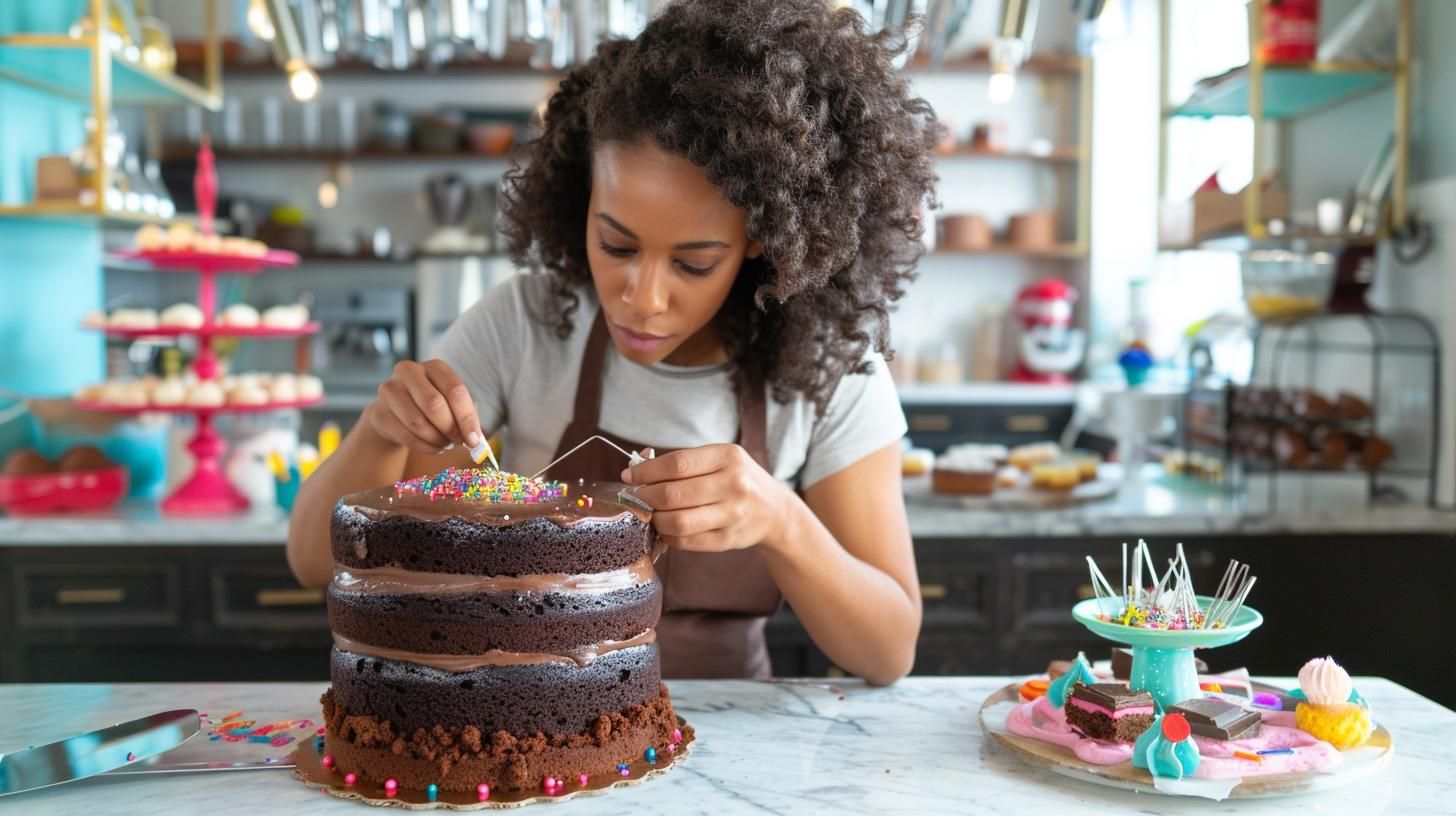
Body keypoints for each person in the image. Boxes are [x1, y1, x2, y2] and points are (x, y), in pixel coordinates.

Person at [287, 0, 939, 685]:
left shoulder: (831, 368)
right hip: (538, 737)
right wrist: (380, 433)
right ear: (581, 201)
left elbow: (888, 653)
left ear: (762, 241)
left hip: (736, 764)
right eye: (617, 244)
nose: (643, 297)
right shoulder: (526, 324)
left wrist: (783, 521)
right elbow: (312, 563)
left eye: (693, 263)